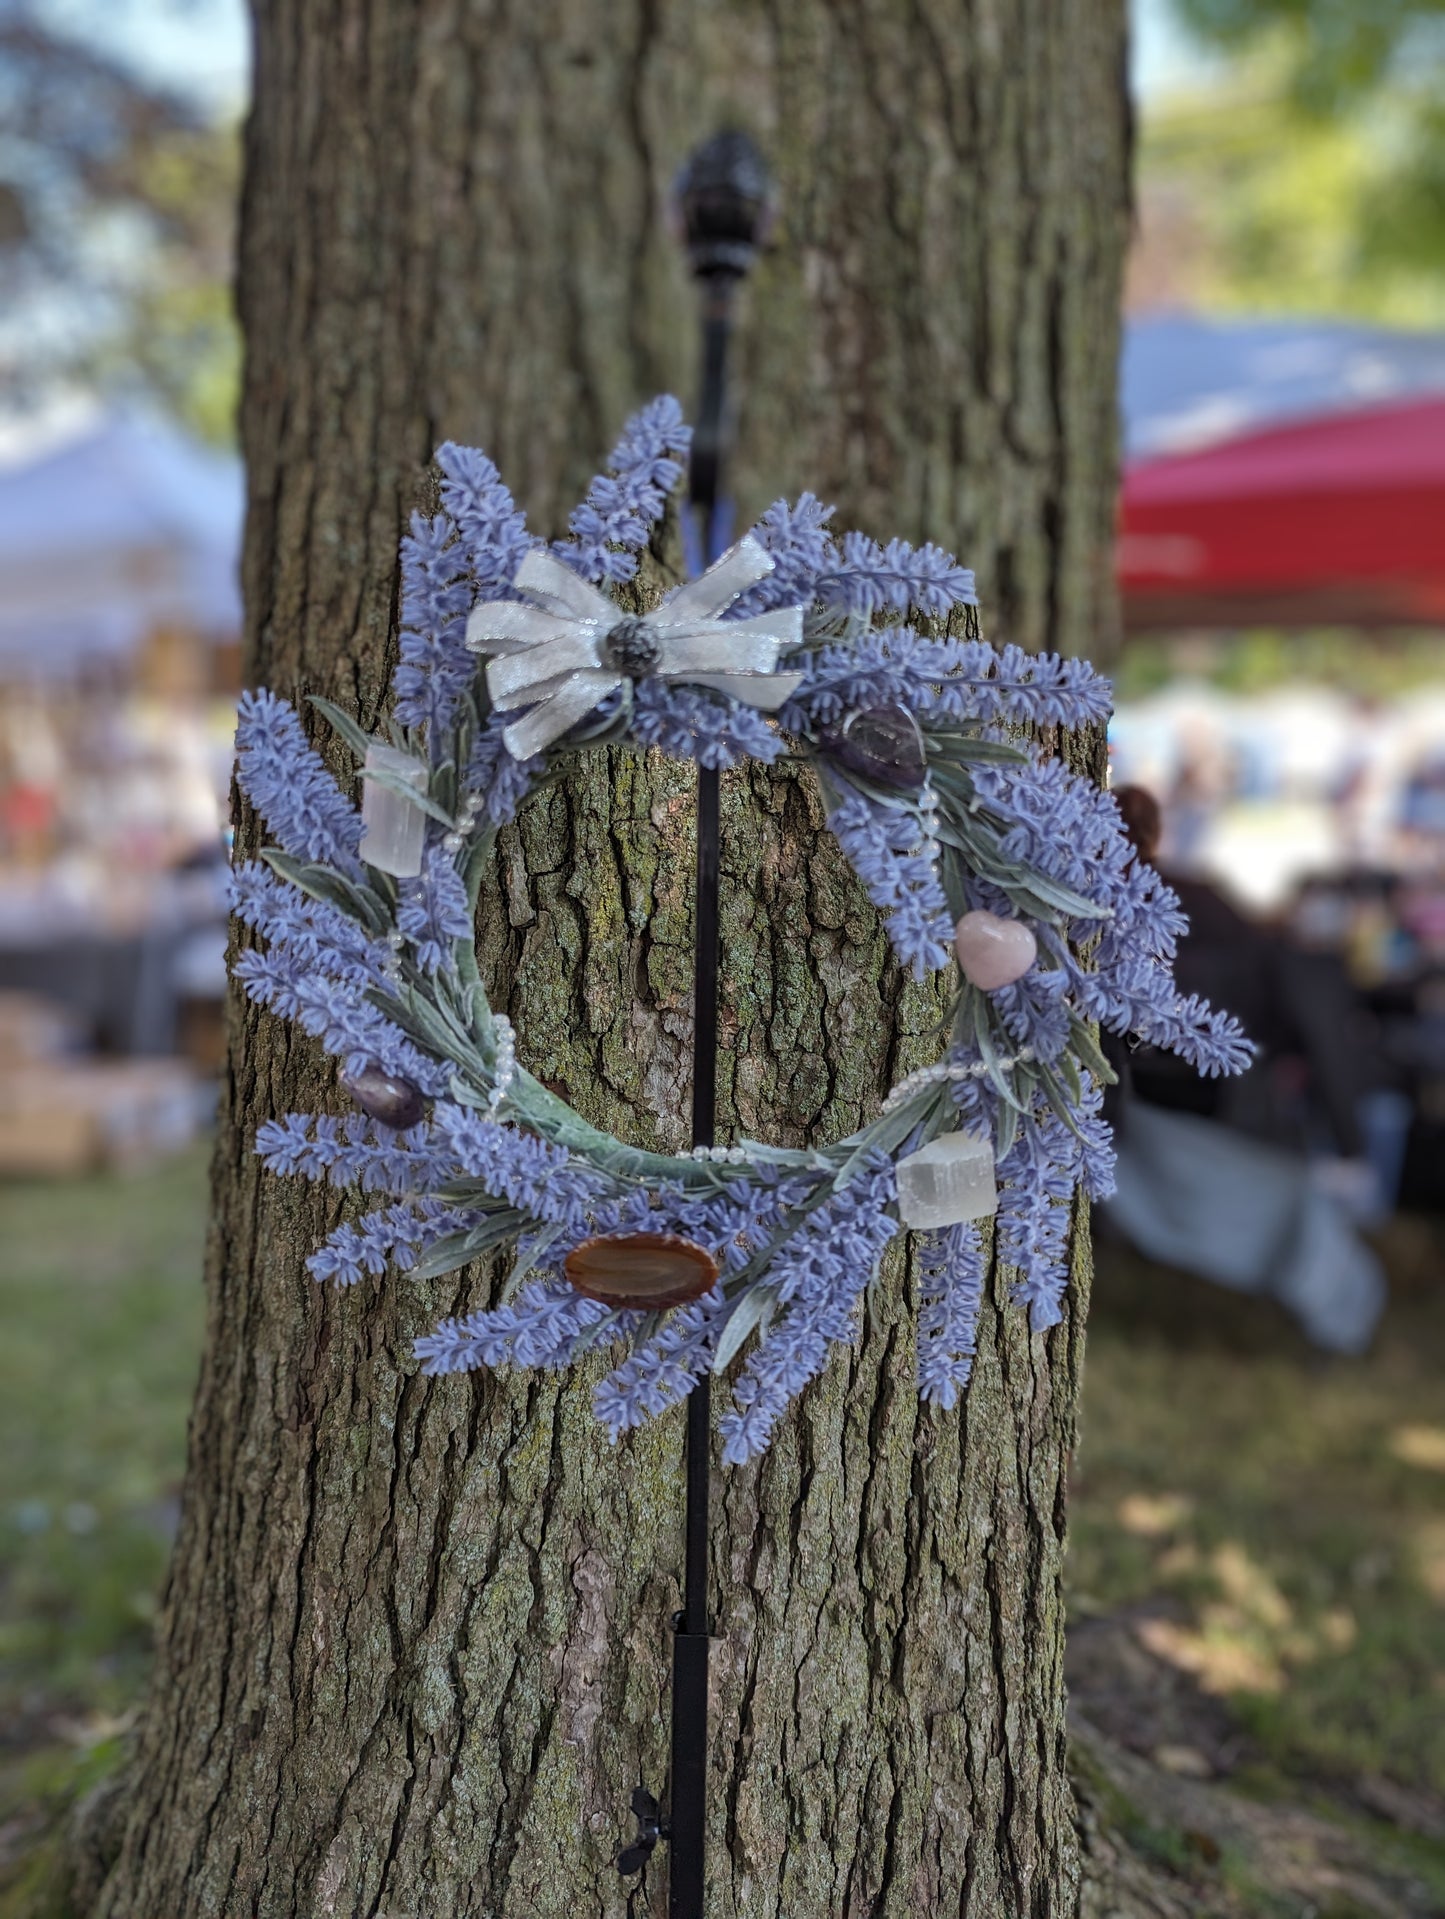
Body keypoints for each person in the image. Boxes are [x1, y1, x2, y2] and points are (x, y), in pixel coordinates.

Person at [1101, 785, 1386, 1355]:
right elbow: (1324, 1045)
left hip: (1148, 1102)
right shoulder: (1227, 921)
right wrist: (1353, 1152)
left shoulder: (1182, 905)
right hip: (1159, 1106)